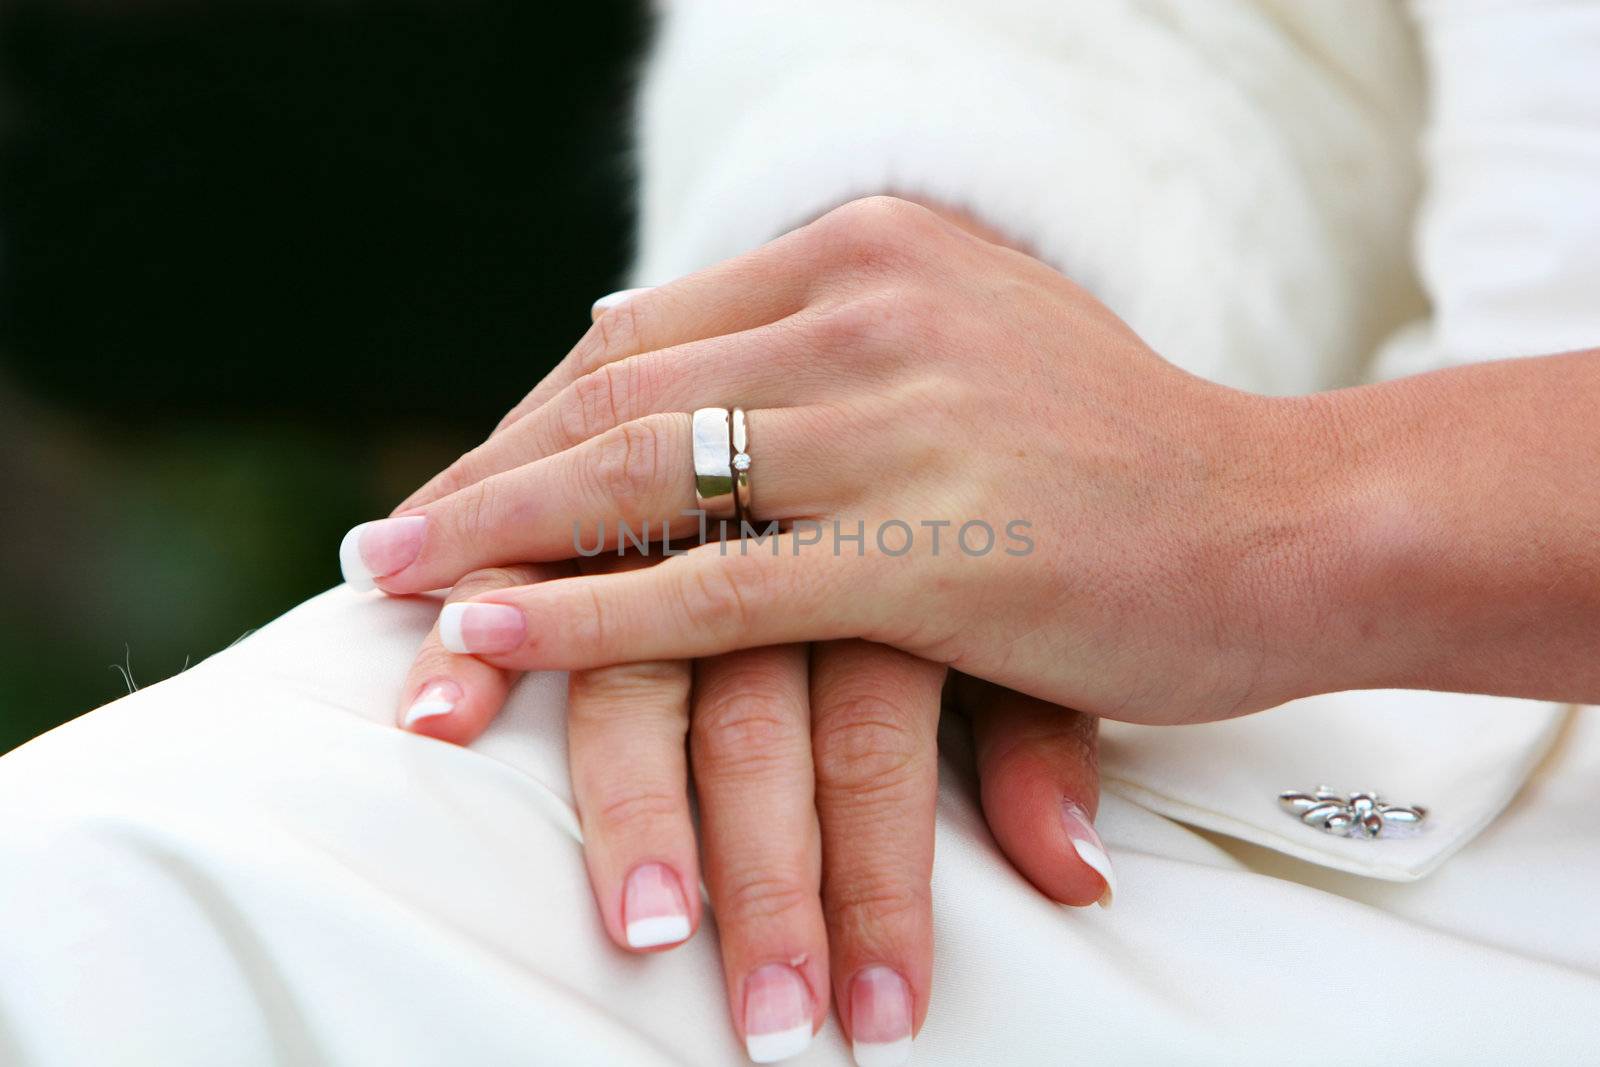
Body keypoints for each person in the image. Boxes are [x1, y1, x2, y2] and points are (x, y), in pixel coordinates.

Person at [3, 2, 1598, 1065]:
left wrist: (1293, 517)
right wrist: (907, 312)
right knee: (120, 898)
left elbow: (1277, 515)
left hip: (1355, 608)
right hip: (1307, 732)